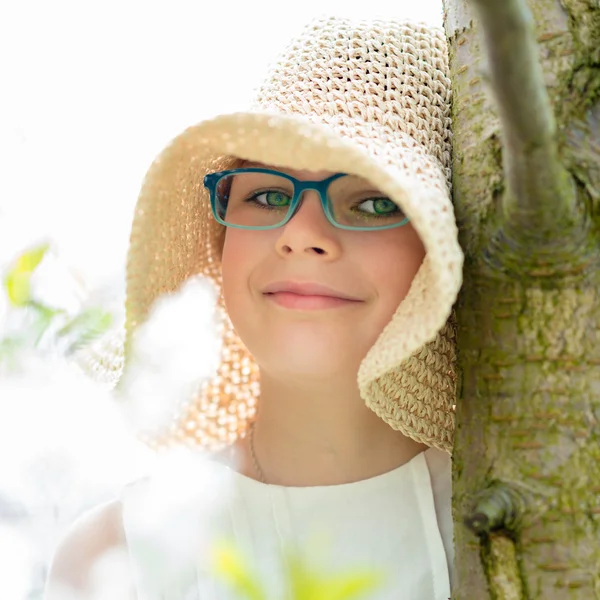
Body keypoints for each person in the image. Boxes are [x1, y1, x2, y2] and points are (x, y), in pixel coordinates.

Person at [45, 15, 463, 600]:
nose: (302, 234)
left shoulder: (520, 532)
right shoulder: (117, 557)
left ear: (440, 248)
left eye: (371, 201)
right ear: (220, 247)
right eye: (267, 194)